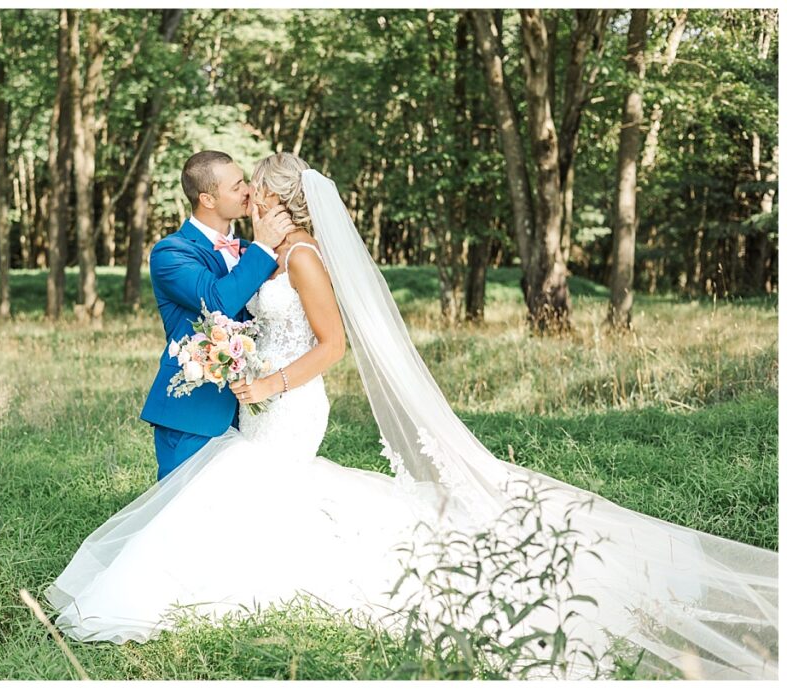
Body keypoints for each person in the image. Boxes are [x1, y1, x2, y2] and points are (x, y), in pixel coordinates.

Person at [44, 153, 778, 680]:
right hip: (250, 402)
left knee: (257, 486)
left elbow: (331, 343)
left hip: (288, 401)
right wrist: (252, 358)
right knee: (253, 492)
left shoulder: (296, 256)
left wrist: (269, 384)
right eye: (239, 188)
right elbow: (226, 309)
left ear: (275, 199)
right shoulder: (240, 252)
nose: (246, 197)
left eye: (253, 188)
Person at [139, 150, 295, 480]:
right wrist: (263, 246)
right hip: (192, 410)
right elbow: (216, 301)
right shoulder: (171, 252)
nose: (249, 191)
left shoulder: (245, 250)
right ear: (207, 199)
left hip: (250, 408)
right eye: (238, 185)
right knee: (180, 512)